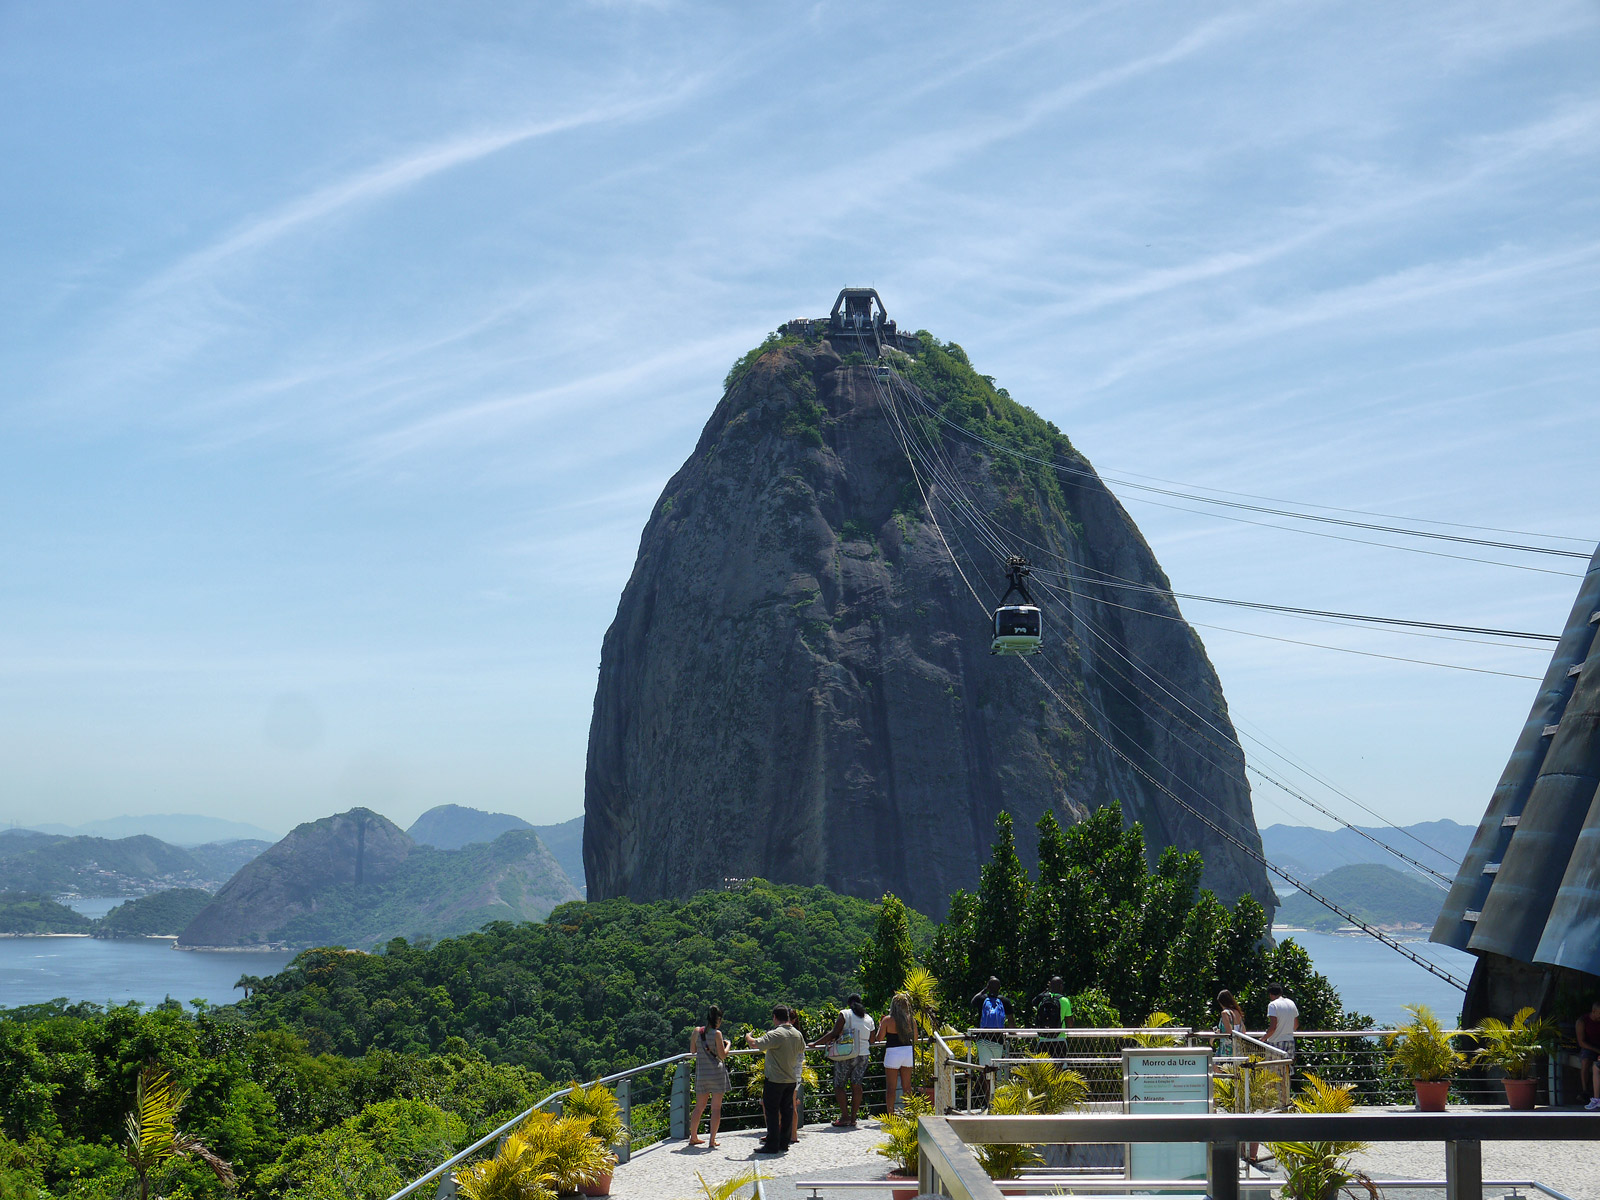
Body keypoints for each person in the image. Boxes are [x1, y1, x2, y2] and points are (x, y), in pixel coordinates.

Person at [746, 1004, 805, 1154]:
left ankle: (772, 1144)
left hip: (775, 1079)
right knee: (787, 1111)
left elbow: (755, 1044)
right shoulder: (797, 1034)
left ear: (775, 1017)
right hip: (791, 1078)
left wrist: (748, 1036)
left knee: (772, 1112)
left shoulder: (776, 1034)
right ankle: (783, 1143)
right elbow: (802, 1048)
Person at [813, 993, 875, 1127]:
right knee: (856, 1084)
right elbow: (872, 1040)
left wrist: (815, 1043)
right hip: (863, 1054)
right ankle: (853, 1119)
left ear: (849, 1004)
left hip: (847, 1054)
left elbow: (834, 1033)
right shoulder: (868, 1018)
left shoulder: (844, 1014)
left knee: (839, 1085)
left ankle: (845, 1117)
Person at [686, 1005, 729, 1148]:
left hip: (702, 1073)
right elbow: (722, 1055)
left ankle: (693, 1137)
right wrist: (728, 1044)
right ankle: (712, 1140)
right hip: (717, 1073)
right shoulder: (717, 1034)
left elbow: (692, 1050)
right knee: (716, 1108)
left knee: (699, 1107)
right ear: (718, 1020)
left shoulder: (697, 1031)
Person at [876, 991, 918, 1115]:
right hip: (907, 1052)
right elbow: (915, 1039)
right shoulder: (911, 1020)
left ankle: (890, 1114)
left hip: (893, 1053)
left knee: (891, 1088)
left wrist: (880, 1024)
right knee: (907, 1087)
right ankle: (909, 1112)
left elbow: (879, 1038)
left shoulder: (887, 1020)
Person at [971, 977, 1010, 1100]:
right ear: (999, 988)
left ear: (988, 986)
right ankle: (996, 1099)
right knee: (995, 1070)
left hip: (983, 1039)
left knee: (986, 1070)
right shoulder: (1004, 1001)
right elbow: (1012, 1024)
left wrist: (984, 990)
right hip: (997, 1040)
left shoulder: (982, 999)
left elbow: (972, 1002)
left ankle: (989, 1100)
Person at [1264, 984, 1299, 1106]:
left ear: (1270, 994)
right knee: (1286, 1073)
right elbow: (1295, 1024)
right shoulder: (1291, 1003)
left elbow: (1273, 1027)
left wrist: (1263, 1038)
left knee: (1273, 1074)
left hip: (1275, 1043)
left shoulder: (1273, 1005)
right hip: (1289, 1041)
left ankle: (1274, 1102)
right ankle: (1285, 1100)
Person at [1029, 976, 1073, 1056]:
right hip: (1060, 1040)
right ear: (1061, 987)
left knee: (1043, 1067)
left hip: (1043, 1040)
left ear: (1050, 986)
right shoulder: (1065, 1001)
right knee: (1059, 1067)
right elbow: (1070, 1023)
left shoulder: (1042, 1000)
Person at [1577, 999, 1600, 1110]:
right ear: (1594, 1011)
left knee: (1596, 1067)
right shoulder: (1582, 1021)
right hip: (1589, 1046)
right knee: (1586, 1061)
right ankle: (1585, 1091)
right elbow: (1581, 1042)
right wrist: (1596, 1050)